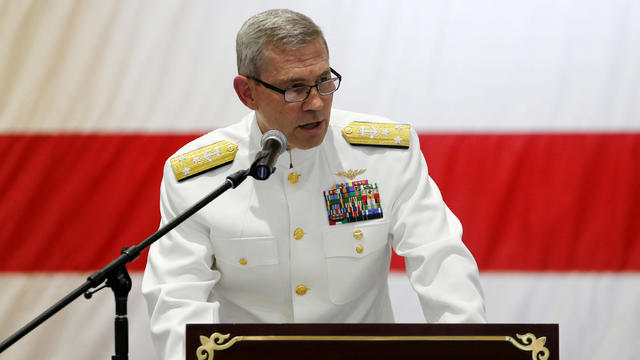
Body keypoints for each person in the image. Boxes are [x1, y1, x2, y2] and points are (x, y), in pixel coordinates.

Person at [142, 8, 486, 360]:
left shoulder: (384, 156)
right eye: (295, 89)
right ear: (247, 93)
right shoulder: (199, 177)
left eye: (324, 80)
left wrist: (470, 349)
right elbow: (177, 297)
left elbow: (441, 260)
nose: (317, 103)